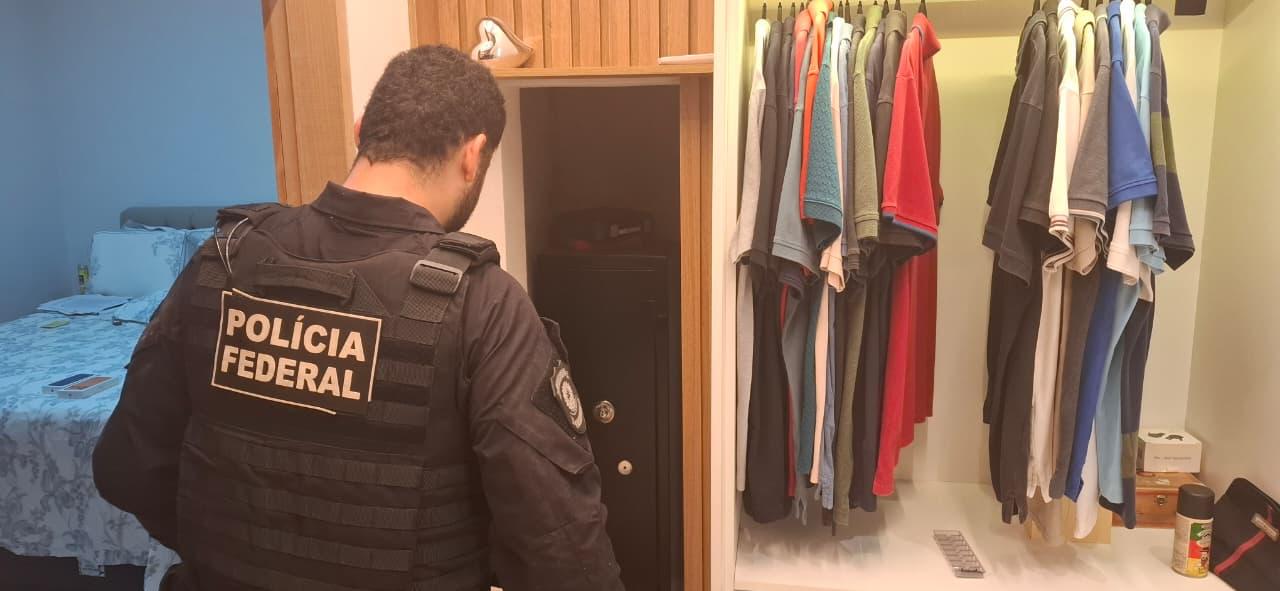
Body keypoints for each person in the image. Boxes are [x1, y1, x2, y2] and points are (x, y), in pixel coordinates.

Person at [92, 45, 623, 591]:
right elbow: (563, 554)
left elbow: (123, 468)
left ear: (361, 129)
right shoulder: (484, 305)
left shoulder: (220, 263)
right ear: (473, 155)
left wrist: (227, 551)